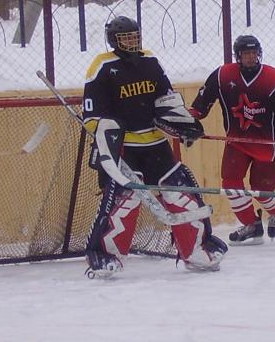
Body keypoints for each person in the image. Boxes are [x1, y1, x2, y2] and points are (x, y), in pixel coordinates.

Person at [82, 16, 227, 278]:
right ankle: (105, 256)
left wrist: (184, 123)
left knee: (181, 194)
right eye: (126, 38)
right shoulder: (102, 66)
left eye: (135, 36)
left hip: (157, 147)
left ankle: (195, 250)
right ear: (114, 40)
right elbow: (91, 117)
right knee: (124, 202)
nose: (133, 42)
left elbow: (166, 99)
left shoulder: (150, 61)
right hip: (124, 151)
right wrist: (109, 134)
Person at [190, 35, 275, 246]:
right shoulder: (222, 75)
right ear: (237, 56)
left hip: (269, 145)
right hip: (237, 141)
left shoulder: (273, 78)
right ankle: (251, 225)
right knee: (231, 184)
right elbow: (201, 105)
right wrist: (188, 121)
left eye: (254, 53)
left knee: (261, 189)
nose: (251, 57)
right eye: (246, 54)